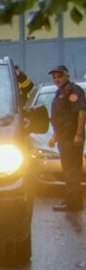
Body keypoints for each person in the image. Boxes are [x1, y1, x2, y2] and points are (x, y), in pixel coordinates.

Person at [48, 65, 86, 212]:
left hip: (71, 138)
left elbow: (81, 112)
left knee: (72, 171)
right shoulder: (60, 92)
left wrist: (79, 134)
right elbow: (61, 118)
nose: (57, 79)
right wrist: (54, 136)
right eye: (55, 77)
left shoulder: (73, 90)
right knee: (68, 170)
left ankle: (73, 203)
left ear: (67, 76)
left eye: (60, 76)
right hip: (64, 137)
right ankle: (71, 200)